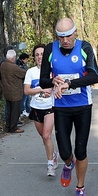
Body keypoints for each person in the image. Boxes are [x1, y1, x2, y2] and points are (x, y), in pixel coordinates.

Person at [40, 17, 98, 196]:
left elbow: (94, 76)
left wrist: (70, 83)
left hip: (83, 106)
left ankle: (80, 188)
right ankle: (67, 164)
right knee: (66, 151)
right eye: (61, 36)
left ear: (75, 32)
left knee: (80, 150)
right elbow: (43, 80)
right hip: (61, 107)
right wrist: (54, 82)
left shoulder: (85, 48)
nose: (65, 40)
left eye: (68, 35)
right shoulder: (50, 49)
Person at [24, 44, 58, 176]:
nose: (39, 57)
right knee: (44, 138)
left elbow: (60, 86)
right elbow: (26, 91)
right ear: (34, 57)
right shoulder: (30, 72)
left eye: (42, 54)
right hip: (36, 107)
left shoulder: (53, 71)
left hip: (50, 107)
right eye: (37, 55)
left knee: (46, 135)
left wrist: (54, 90)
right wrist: (41, 90)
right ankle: (53, 153)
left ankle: (50, 164)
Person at [0, 49, 26, 133]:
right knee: (15, 111)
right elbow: (23, 74)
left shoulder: (3, 65)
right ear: (13, 58)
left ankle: (8, 126)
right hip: (15, 92)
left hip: (7, 91)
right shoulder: (13, 67)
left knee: (9, 111)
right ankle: (14, 127)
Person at [16, 53, 31, 117]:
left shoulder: (22, 64)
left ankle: (28, 109)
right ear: (23, 59)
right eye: (26, 59)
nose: (26, 61)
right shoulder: (19, 65)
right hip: (22, 83)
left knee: (27, 97)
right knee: (24, 97)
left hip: (25, 82)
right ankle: (22, 110)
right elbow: (23, 74)